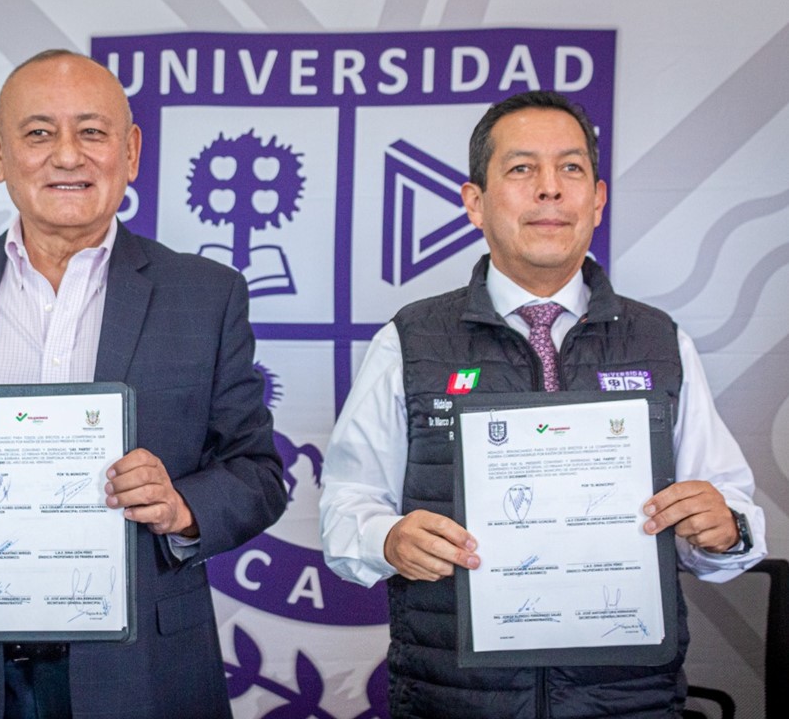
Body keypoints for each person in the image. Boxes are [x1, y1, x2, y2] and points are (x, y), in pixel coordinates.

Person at [0, 49, 286, 719]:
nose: (67, 156)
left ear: (131, 152)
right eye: (39, 133)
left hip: (144, 672)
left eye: (92, 132)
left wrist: (181, 506)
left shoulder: (206, 295)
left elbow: (257, 473)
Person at [318, 90, 766, 718]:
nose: (550, 189)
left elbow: (728, 513)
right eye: (522, 168)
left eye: (571, 168)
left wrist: (725, 528)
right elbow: (345, 508)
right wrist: (388, 538)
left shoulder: (660, 341)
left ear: (598, 199)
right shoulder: (410, 341)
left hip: (626, 700)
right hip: (457, 700)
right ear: (475, 202)